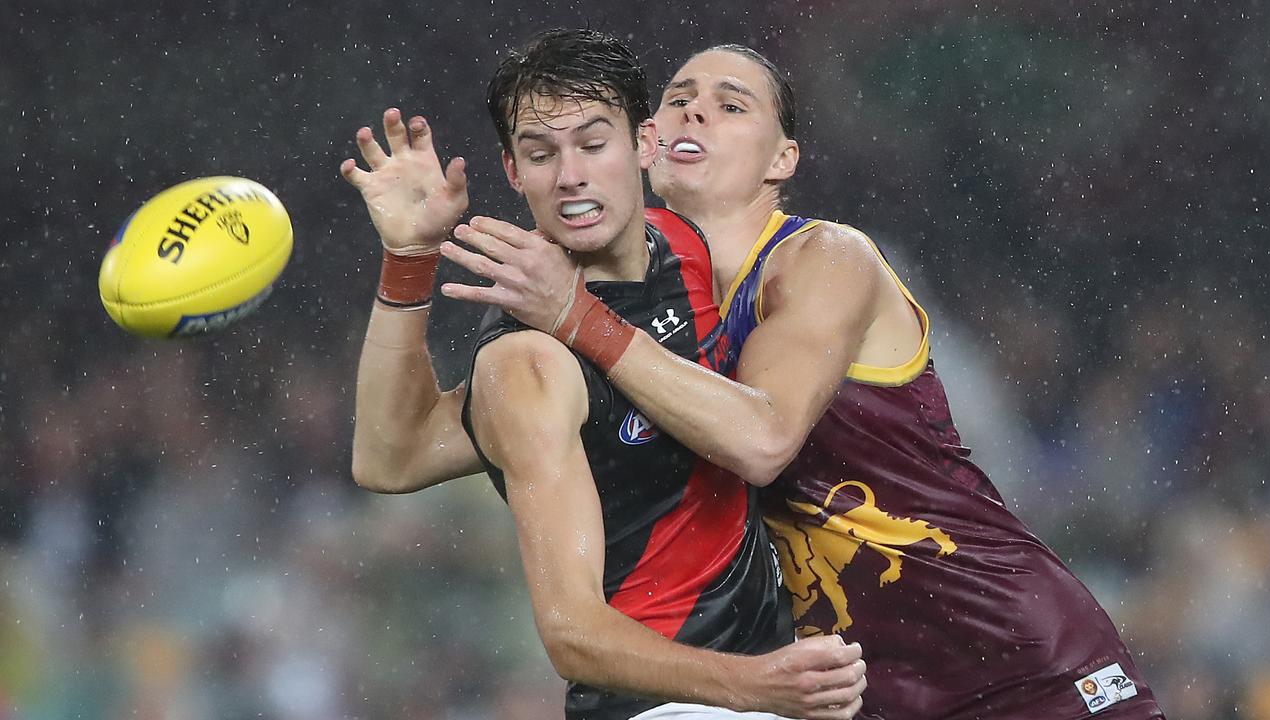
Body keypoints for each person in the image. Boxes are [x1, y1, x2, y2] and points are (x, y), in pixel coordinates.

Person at [438, 45, 1167, 720]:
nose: (696, 109)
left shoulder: (824, 257)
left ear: (782, 159)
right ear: (646, 140)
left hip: (1011, 655)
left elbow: (763, 440)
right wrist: (409, 256)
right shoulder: (646, 309)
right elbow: (398, 454)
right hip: (860, 691)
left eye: (731, 105)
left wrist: (574, 316)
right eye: (680, 97)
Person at [342, 29, 865, 720]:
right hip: (669, 708)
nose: (570, 176)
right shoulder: (526, 363)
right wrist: (408, 255)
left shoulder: (682, 241)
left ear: (644, 145)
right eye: (540, 154)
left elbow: (398, 452)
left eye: (593, 144)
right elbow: (571, 634)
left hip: (775, 682)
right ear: (513, 171)